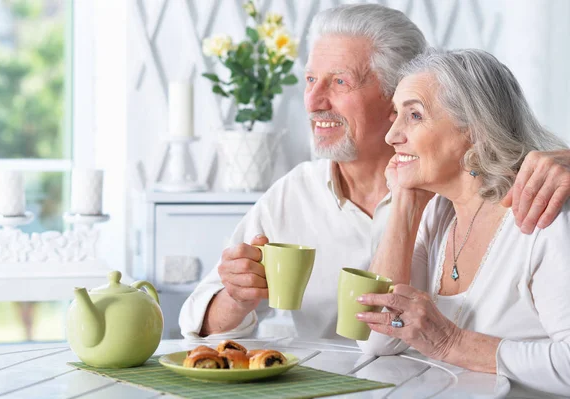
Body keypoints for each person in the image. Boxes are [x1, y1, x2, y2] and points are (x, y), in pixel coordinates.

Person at [179, 4, 570, 341]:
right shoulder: (294, 193)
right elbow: (199, 326)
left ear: (396, 96)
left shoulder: (456, 184)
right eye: (311, 80)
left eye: (339, 81)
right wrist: (236, 296)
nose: (314, 102)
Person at [356, 49, 570, 397]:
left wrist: (453, 343)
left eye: (413, 115)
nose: (391, 135)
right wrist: (404, 206)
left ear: (473, 128)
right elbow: (377, 340)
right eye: (396, 115)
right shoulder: (437, 215)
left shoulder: (544, 216)